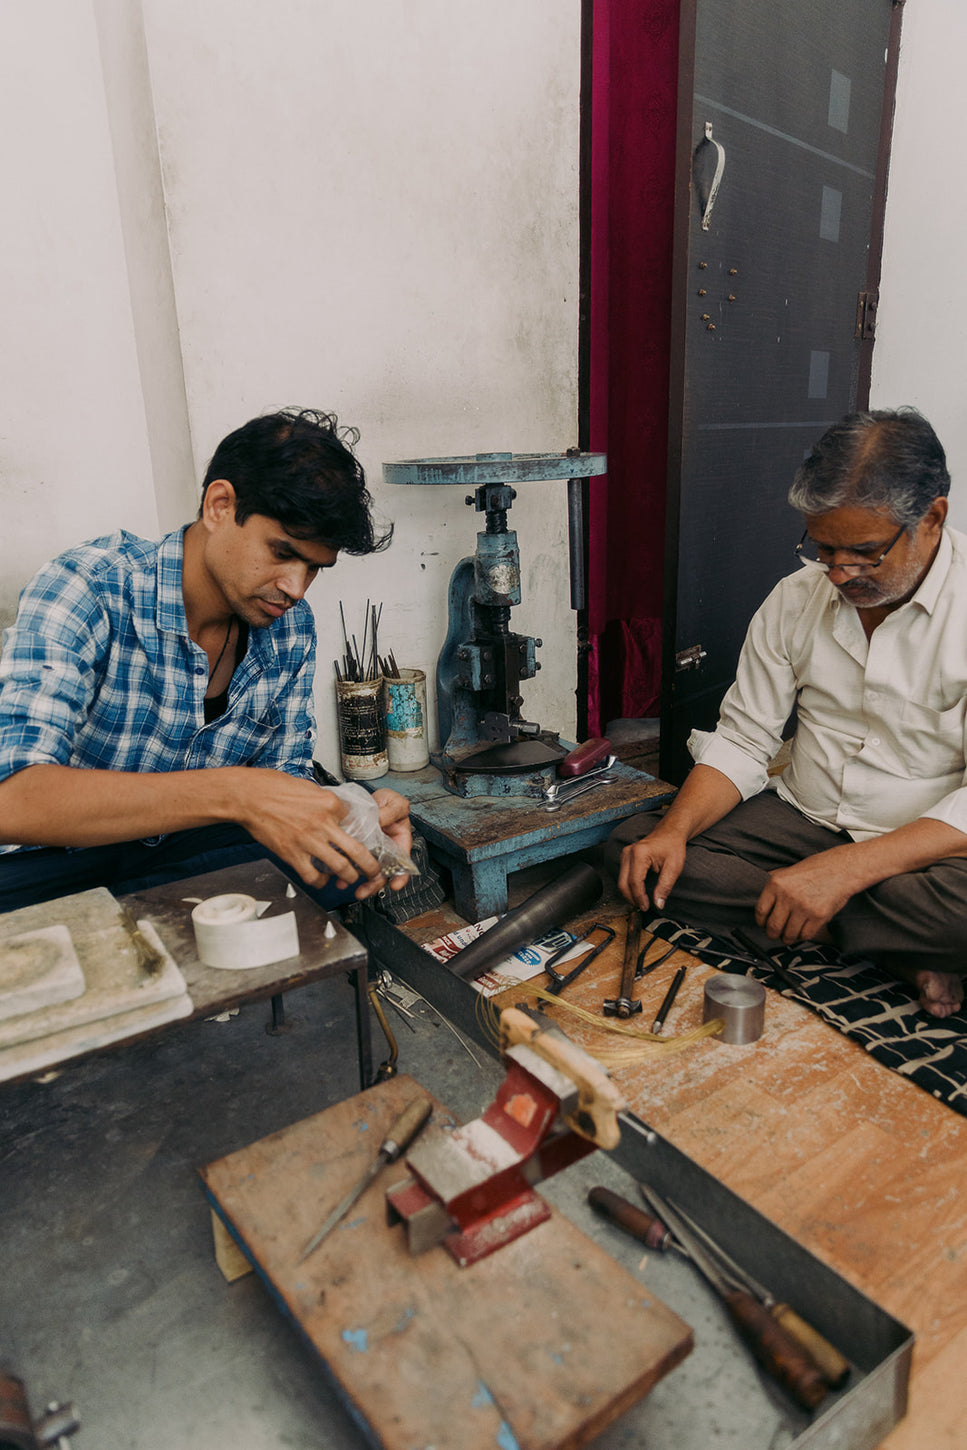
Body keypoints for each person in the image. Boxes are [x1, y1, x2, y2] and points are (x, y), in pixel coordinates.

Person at [607, 407, 967, 1019]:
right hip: (804, 819)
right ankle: (891, 950)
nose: (840, 574)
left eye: (864, 553)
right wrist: (673, 830)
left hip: (928, 849)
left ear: (931, 518)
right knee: (636, 848)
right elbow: (745, 741)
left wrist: (847, 869)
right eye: (823, 549)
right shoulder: (796, 598)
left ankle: (830, 915)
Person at [0, 407, 411, 912]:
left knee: (346, 866)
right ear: (219, 505)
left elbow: (284, 778)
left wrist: (353, 813)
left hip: (186, 850)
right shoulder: (90, 587)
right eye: (281, 552)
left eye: (314, 568)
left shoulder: (289, 627)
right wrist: (235, 792)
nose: (295, 588)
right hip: (53, 861)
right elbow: (12, 795)